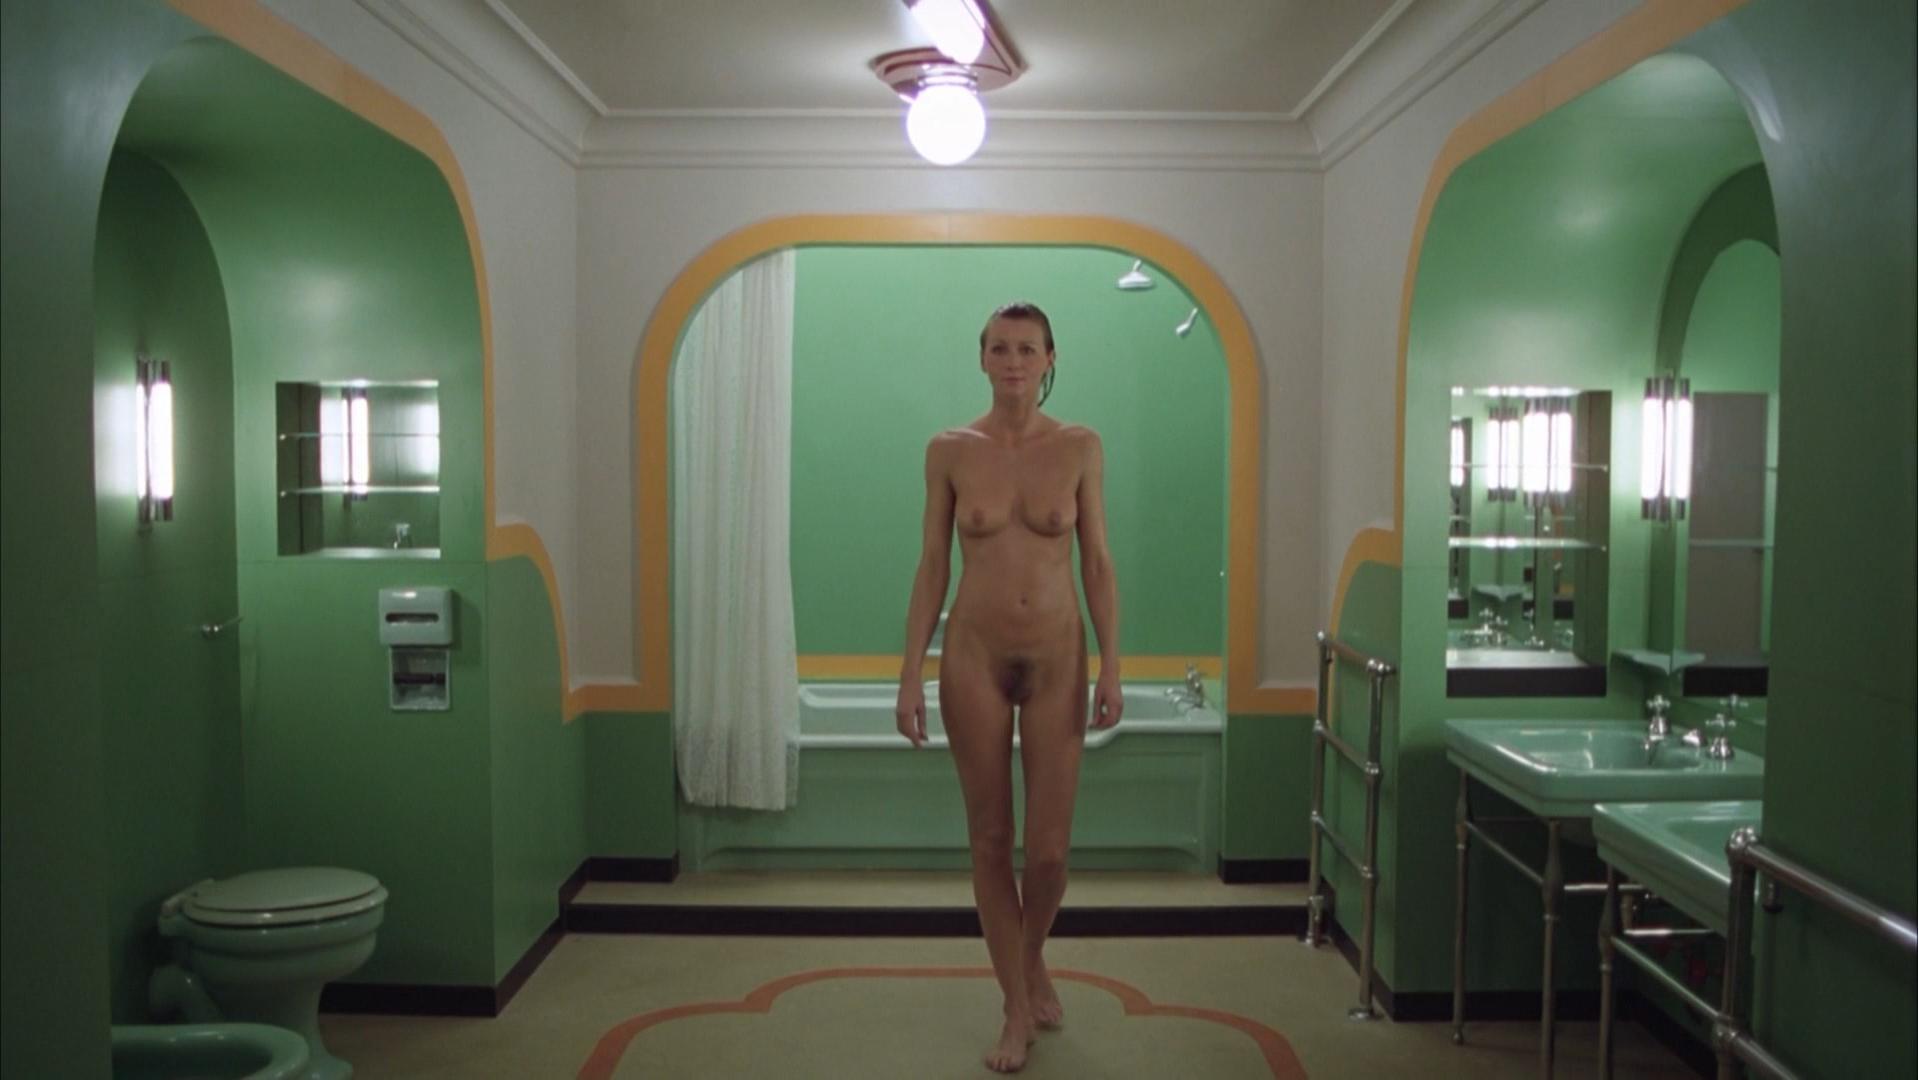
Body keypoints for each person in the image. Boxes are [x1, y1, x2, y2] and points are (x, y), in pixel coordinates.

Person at [895, 301, 1124, 1073]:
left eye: (1028, 349)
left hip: (1058, 656)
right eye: (1000, 348)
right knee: (992, 839)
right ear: (983, 358)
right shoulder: (950, 451)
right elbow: (933, 565)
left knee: (1050, 853)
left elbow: (1097, 561)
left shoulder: (1080, 446)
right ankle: (1015, 1006)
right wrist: (909, 672)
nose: (1014, 361)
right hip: (974, 656)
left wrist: (1113, 663)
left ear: (1050, 359)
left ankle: (1028, 962)